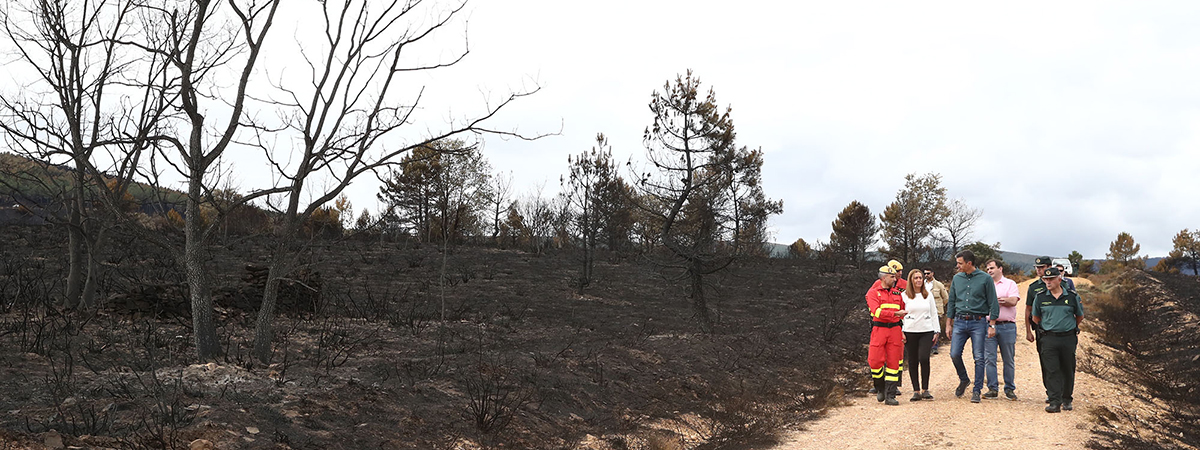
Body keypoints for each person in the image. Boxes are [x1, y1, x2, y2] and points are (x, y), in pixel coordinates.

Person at [945, 250, 999, 403]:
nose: (958, 266)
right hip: (960, 321)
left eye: (960, 263)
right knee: (954, 353)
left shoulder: (985, 279)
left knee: (979, 357)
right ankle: (964, 379)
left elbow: (993, 302)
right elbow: (952, 302)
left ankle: (977, 390)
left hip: (978, 322)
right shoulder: (957, 278)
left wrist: (992, 325)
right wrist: (948, 324)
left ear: (969, 263)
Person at [1031, 267, 1085, 413]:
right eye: (1045, 279)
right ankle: (1055, 401)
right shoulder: (1041, 297)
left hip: (1068, 338)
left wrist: (1068, 327)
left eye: (1051, 279)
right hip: (1049, 338)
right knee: (1051, 369)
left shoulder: (1072, 297)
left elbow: (1079, 316)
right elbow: (1036, 317)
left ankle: (1067, 398)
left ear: (1059, 279)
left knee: (1068, 368)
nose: (1048, 282)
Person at [866, 265, 907, 406]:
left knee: (893, 363)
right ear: (883, 277)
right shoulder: (873, 293)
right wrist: (894, 314)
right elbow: (876, 312)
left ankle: (890, 395)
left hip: (895, 330)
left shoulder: (897, 294)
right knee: (875, 361)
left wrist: (902, 328)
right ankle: (880, 387)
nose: (895, 279)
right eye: (892, 276)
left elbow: (903, 311)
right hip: (879, 329)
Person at [983, 259, 1020, 400]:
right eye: (988, 269)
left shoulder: (1010, 284)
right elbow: (983, 303)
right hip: (988, 326)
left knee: (1008, 359)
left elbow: (1013, 301)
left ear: (1000, 269)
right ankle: (992, 388)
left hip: (1007, 326)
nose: (989, 271)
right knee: (990, 359)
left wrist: (995, 301)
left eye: (992, 268)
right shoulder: (986, 285)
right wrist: (1001, 300)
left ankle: (1009, 389)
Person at [902, 269, 939, 401]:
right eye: (915, 278)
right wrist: (901, 331)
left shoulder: (927, 295)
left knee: (924, 358)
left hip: (926, 330)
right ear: (911, 280)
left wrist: (936, 331)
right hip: (910, 331)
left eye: (920, 278)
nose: (918, 280)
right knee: (912, 360)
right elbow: (900, 315)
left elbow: (934, 313)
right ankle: (916, 390)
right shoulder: (904, 295)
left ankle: (925, 389)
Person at [1025, 256, 1052, 402]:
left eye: (1042, 267)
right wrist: (1028, 330)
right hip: (1041, 329)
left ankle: (1062, 391)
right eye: (1037, 267)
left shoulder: (1062, 285)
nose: (1039, 270)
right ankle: (1050, 391)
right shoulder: (1033, 287)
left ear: (1049, 267)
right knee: (1045, 361)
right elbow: (1028, 310)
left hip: (1060, 330)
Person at [925, 269, 949, 354]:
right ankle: (927, 347)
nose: (926, 275)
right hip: (925, 311)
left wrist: (940, 306)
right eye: (925, 273)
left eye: (928, 273)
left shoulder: (938, 285)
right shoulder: (922, 285)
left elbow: (946, 298)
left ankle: (935, 347)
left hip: (937, 311)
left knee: (935, 329)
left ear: (932, 273)